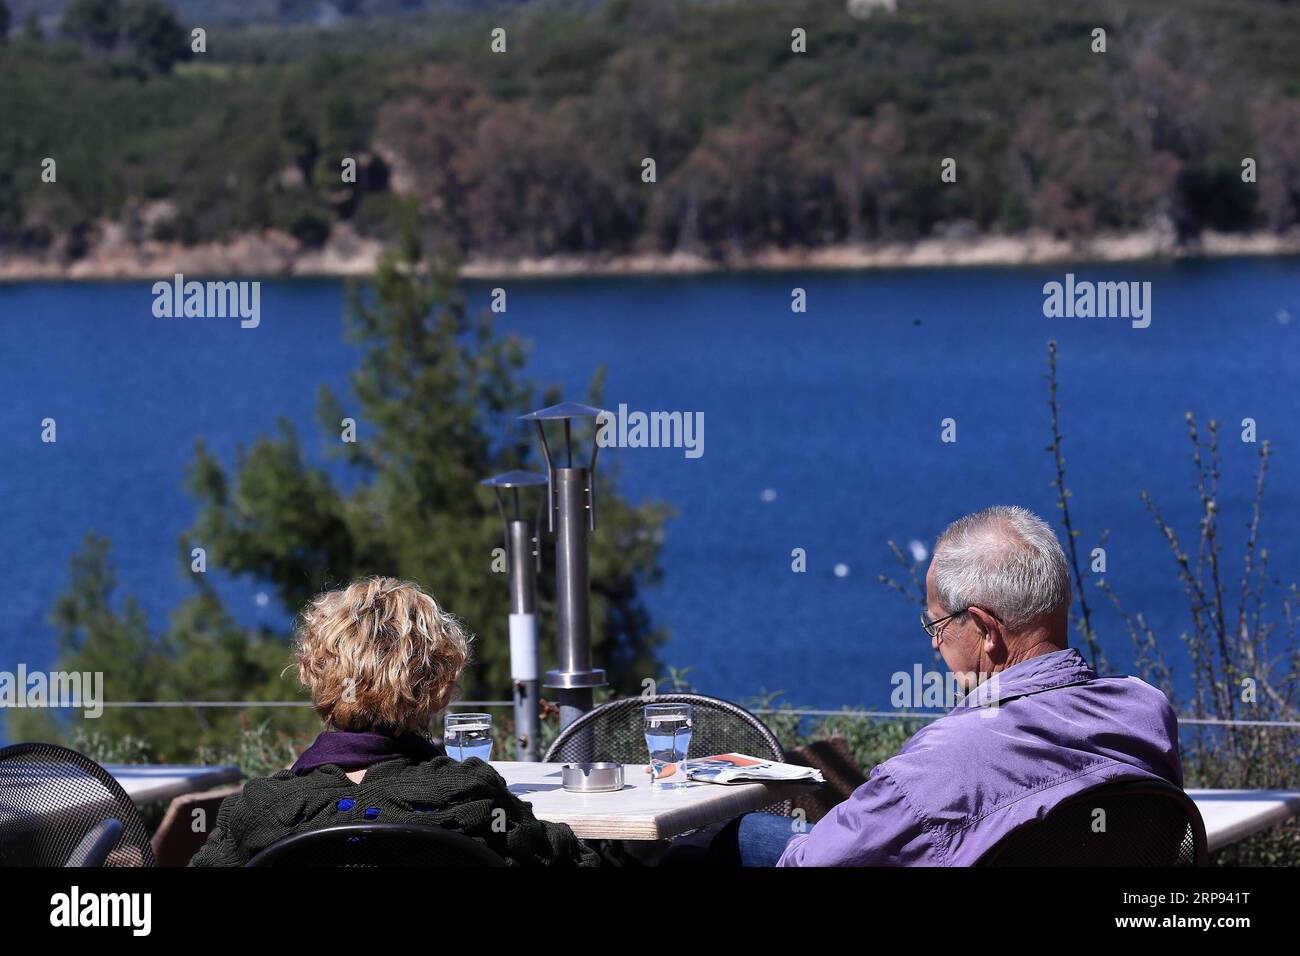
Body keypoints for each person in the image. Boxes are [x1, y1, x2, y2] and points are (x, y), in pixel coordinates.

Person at [730, 505, 1184, 866]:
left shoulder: (942, 764)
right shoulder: (1146, 710)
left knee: (726, 839)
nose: (935, 645)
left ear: (986, 629)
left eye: (938, 626)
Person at [191, 576, 599, 866]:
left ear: (312, 675)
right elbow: (570, 857)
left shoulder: (260, 810)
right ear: (439, 683)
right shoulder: (470, 796)